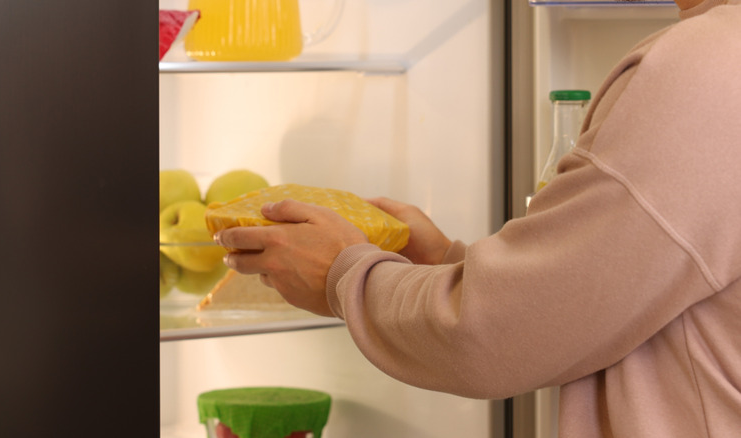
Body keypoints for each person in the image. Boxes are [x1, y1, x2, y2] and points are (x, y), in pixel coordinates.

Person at [213, 0, 741, 435]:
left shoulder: (704, 66)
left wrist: (344, 276)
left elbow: (498, 331)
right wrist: (449, 266)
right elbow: (603, 294)